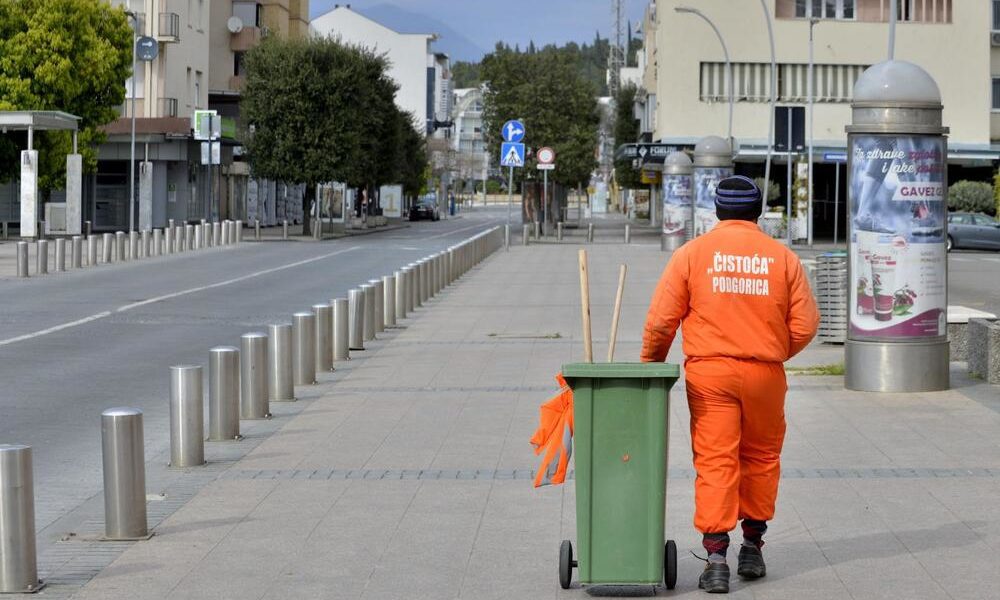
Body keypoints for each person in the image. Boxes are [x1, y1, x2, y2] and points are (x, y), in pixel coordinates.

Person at [640, 175, 819, 594]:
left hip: (710, 375)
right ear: (756, 213)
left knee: (716, 459)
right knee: (761, 456)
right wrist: (773, 351)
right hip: (764, 376)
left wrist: (651, 365)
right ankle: (752, 547)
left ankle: (716, 558)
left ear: (717, 212)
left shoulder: (692, 255)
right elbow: (807, 324)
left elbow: (662, 320)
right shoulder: (783, 259)